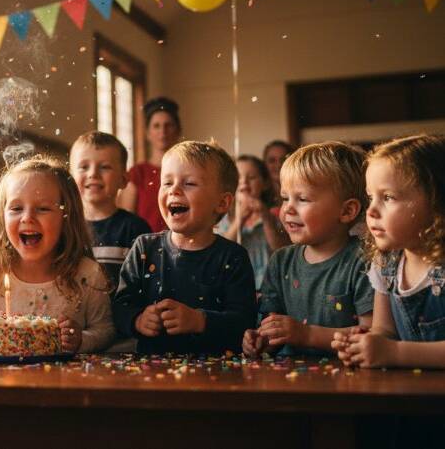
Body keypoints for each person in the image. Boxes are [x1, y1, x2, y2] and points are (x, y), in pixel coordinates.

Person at [113, 140, 256, 355]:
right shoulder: (144, 248)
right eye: (167, 182)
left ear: (222, 203)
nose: (174, 190)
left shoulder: (233, 257)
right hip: (150, 368)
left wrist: (200, 321)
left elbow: (244, 323)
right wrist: (138, 319)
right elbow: (120, 306)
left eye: (189, 183)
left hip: (218, 370)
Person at [0, 156, 115, 353]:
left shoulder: (87, 274)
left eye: (43, 208)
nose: (27, 218)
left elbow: (105, 331)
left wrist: (81, 339)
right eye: (16, 208)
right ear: (2, 216)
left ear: (66, 216)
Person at [243, 142, 373, 358]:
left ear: (347, 211)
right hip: (288, 375)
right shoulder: (280, 262)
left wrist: (306, 334)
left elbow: (371, 335)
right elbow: (270, 326)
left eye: (302, 199)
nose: (288, 208)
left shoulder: (364, 260)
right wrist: (261, 339)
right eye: (285, 198)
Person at [333, 134, 445, 369]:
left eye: (388, 197)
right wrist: (364, 345)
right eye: (371, 197)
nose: (371, 211)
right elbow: (384, 330)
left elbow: (392, 348)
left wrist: (393, 352)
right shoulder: (386, 263)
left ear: (436, 203)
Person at [69, 131, 150, 292]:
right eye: (84, 167)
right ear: (70, 178)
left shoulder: (136, 230)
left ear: (123, 180)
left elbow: (146, 286)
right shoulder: (64, 227)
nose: (93, 174)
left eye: (105, 167)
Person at [217, 155, 289, 289]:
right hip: (235, 288)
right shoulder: (221, 218)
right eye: (238, 177)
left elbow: (281, 250)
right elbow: (218, 252)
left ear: (265, 184)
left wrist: (265, 216)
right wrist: (239, 220)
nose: (244, 182)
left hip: (269, 289)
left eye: (251, 177)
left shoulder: (274, 218)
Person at [120, 97, 181, 231]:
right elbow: (126, 220)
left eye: (168, 125)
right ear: (147, 133)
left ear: (178, 130)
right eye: (156, 126)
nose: (163, 131)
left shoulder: (186, 172)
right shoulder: (137, 173)